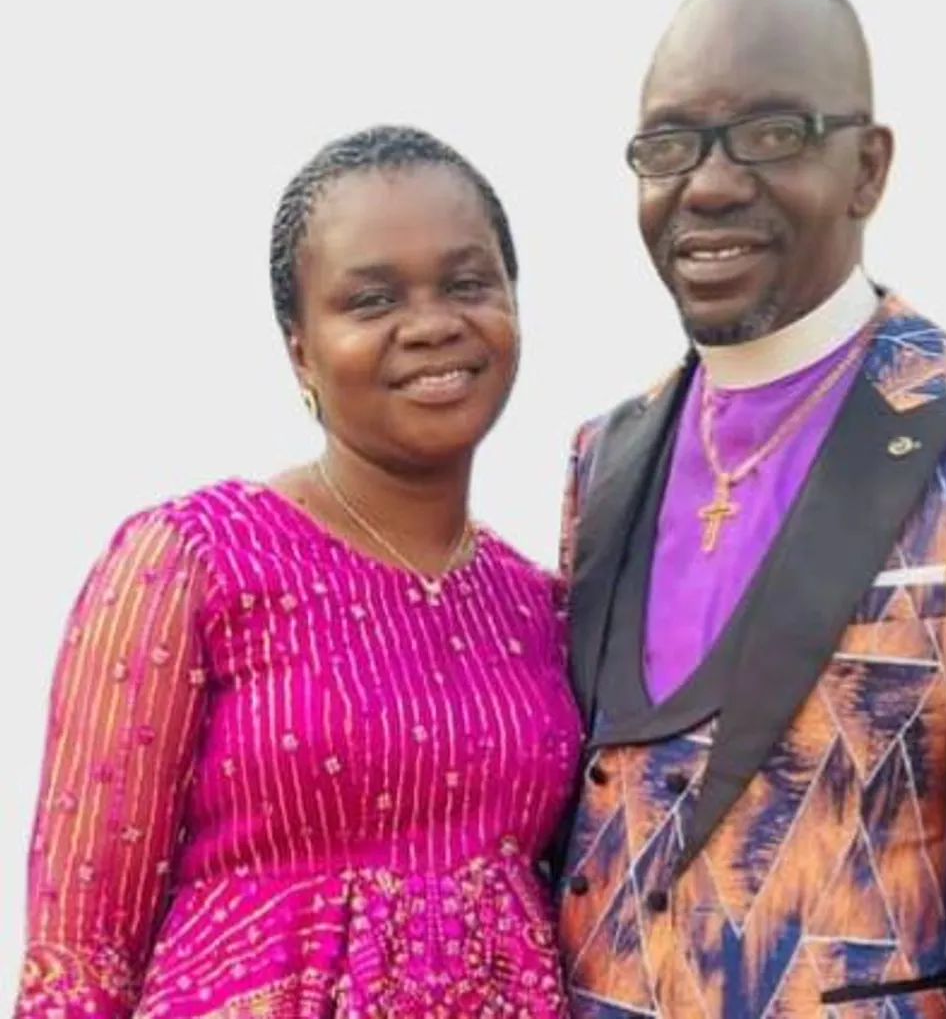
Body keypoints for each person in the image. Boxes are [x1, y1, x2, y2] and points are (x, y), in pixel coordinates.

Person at [556, 0, 946, 1017]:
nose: (710, 183)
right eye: (670, 145)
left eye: (771, 134)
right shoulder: (604, 455)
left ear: (868, 168)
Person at [14, 125, 581, 1017]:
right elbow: (80, 955)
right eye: (371, 299)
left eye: (468, 283)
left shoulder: (539, 608)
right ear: (300, 350)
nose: (432, 324)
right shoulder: (192, 559)